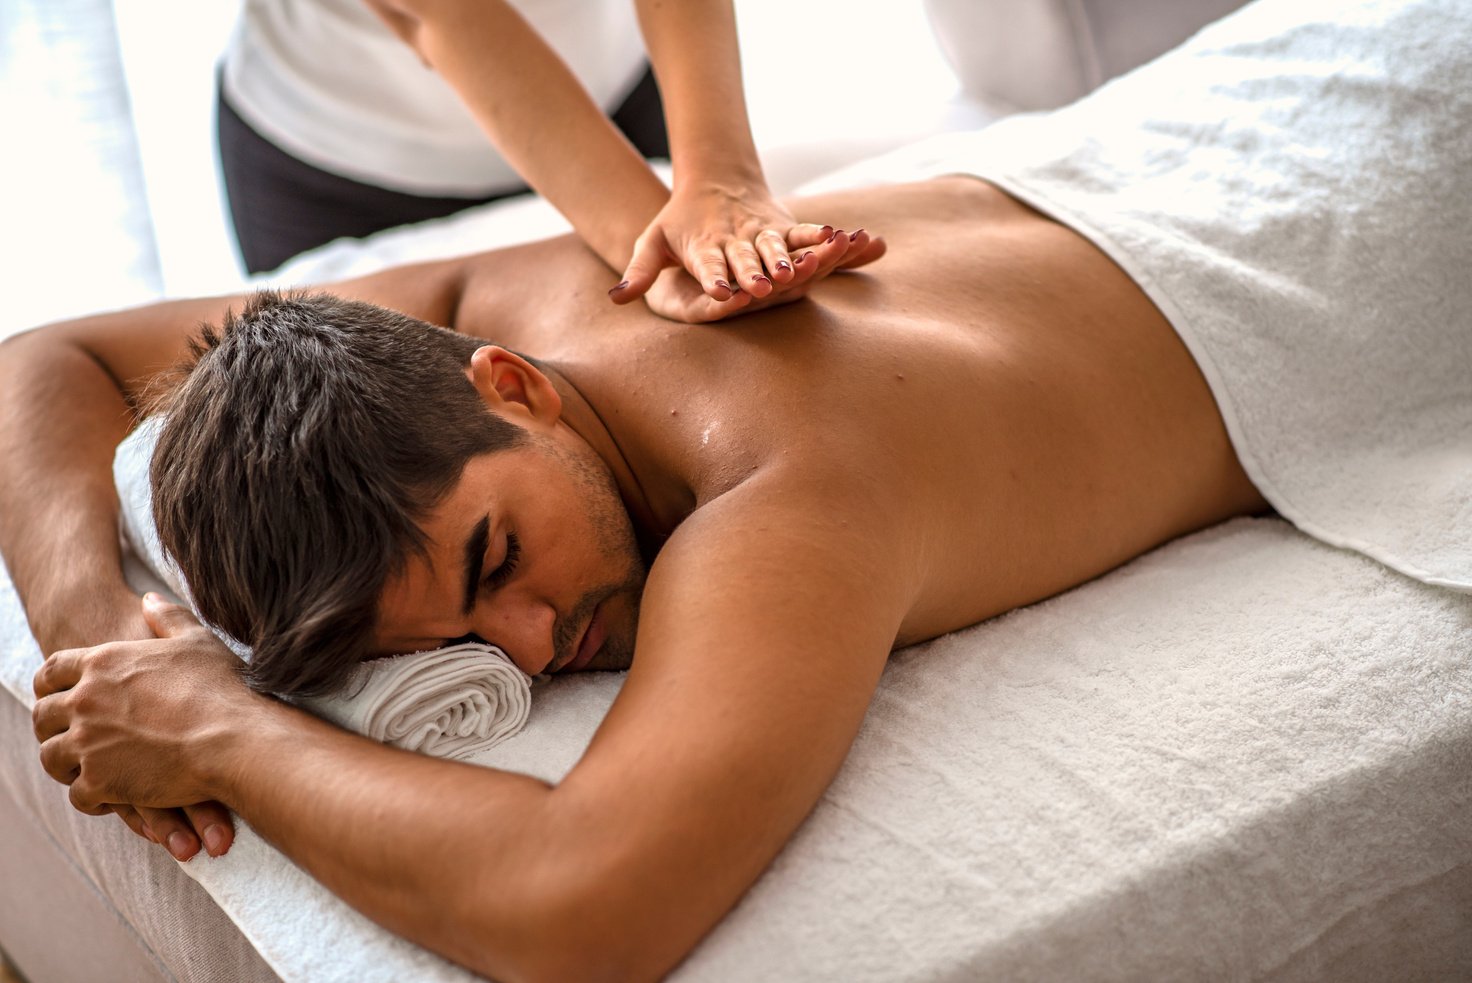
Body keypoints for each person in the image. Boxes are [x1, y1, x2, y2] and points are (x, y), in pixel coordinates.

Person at [7, 0, 1468, 979]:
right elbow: (39, 357)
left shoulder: (779, 489)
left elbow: (582, 904)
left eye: (495, 556)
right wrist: (101, 634)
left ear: (505, 382)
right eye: (455, 638)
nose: (526, 640)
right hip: (1205, 128)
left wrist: (215, 726)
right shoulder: (490, 299)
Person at [219, 0, 829, 320]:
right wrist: (666, 255)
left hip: (614, 80)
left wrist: (725, 178)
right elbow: (436, 11)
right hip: (334, 164)